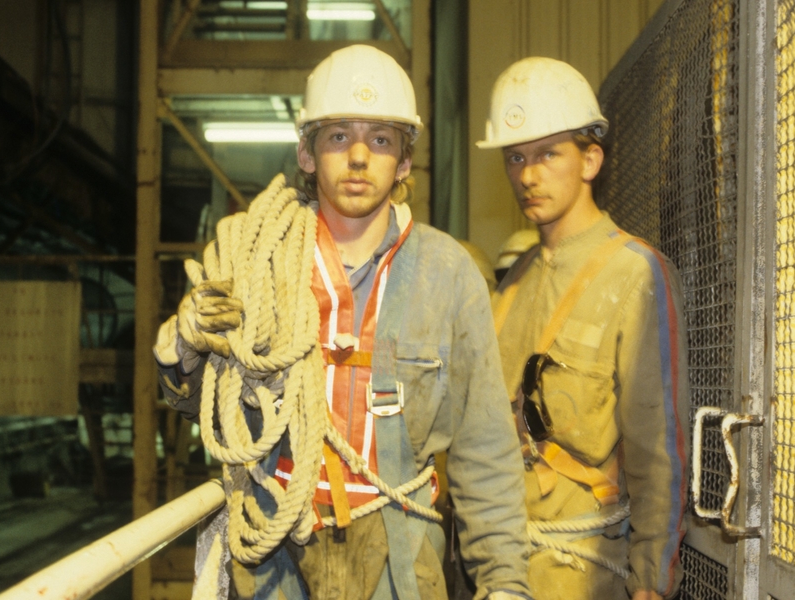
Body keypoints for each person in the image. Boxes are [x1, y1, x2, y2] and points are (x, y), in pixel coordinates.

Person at [154, 45, 533, 600]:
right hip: (272, 546)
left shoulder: (447, 275)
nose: (358, 156)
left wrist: (504, 583)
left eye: (380, 140)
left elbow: (484, 449)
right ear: (307, 155)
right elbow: (201, 408)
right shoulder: (255, 257)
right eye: (337, 137)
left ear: (404, 161)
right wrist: (183, 351)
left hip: (397, 556)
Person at [479, 56, 690, 600]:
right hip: (502, 571)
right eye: (516, 157)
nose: (528, 175)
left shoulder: (635, 274)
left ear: (590, 159)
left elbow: (658, 449)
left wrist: (651, 581)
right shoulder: (513, 287)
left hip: (584, 575)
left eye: (549, 154)